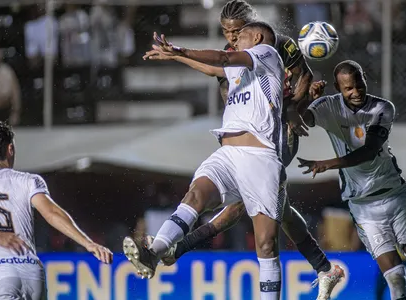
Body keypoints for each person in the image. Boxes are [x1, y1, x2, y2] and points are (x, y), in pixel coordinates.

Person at [142, 1, 344, 298]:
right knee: (276, 209)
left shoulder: (273, 47)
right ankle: (325, 269)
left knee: (245, 210)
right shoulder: (235, 55)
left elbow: (303, 79)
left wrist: (292, 110)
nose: (232, 36)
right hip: (235, 145)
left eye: (237, 31)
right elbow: (217, 67)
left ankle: (177, 248)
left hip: (272, 139)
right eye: (226, 31)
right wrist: (176, 56)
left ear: (254, 30)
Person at [297, 60, 406, 300]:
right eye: (348, 89)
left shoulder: (382, 108)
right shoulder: (327, 106)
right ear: (338, 88)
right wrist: (306, 96)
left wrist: (328, 163)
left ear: (364, 80)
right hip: (364, 208)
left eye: (359, 85)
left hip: (397, 198)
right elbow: (300, 119)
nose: (355, 92)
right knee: (396, 280)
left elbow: (369, 150)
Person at [0, 121, 113, 299]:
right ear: (10, 149)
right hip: (32, 271)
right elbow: (52, 213)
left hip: (1, 273)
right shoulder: (29, 180)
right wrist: (88, 243)